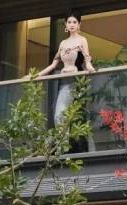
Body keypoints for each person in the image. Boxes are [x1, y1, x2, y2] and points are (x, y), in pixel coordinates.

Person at [37, 12, 96, 152]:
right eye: (69, 22)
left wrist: (89, 67)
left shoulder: (82, 40)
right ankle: (62, 146)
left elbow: (87, 59)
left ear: (79, 24)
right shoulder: (63, 43)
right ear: (65, 25)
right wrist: (36, 76)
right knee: (59, 115)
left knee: (62, 115)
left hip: (74, 80)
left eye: (74, 22)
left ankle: (63, 148)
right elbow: (53, 65)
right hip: (63, 81)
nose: (72, 25)